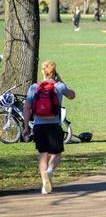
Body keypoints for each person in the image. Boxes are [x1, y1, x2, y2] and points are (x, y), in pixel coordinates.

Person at [22, 60, 76, 195]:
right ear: (54, 72)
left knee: (43, 154)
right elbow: (72, 96)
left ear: (43, 72)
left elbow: (27, 108)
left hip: (39, 126)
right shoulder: (59, 86)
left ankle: (44, 183)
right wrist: (62, 82)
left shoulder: (34, 87)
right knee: (57, 153)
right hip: (54, 125)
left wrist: (26, 127)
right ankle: (50, 172)